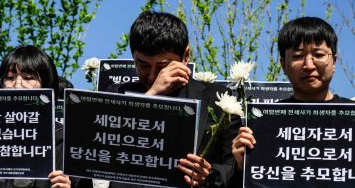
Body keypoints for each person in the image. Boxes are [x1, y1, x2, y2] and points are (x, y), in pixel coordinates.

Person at [105, 11, 240, 188]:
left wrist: (207, 175)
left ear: (186, 56)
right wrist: (151, 97)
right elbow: (105, 150)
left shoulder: (220, 101)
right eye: (143, 65)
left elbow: (233, 167)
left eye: (163, 66)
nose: (153, 76)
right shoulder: (116, 95)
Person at [230, 17, 354, 187]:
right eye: (298, 56)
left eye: (318, 55)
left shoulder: (351, 116)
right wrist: (241, 167)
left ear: (334, 61)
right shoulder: (264, 123)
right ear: (283, 65)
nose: (309, 65)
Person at [0, 45, 73, 188]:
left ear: (47, 85)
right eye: (10, 78)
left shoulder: (67, 142)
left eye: (28, 78)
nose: (18, 85)